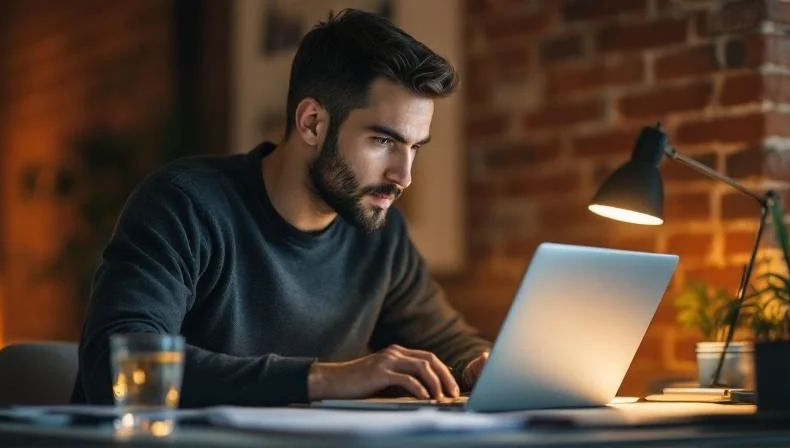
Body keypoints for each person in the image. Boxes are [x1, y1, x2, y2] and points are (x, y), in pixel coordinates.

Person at [71, 8, 491, 408]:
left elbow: (448, 342)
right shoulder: (185, 204)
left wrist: (479, 365)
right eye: (383, 141)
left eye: (415, 147)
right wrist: (324, 378)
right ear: (312, 123)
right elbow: (118, 362)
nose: (404, 176)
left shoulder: (381, 234)